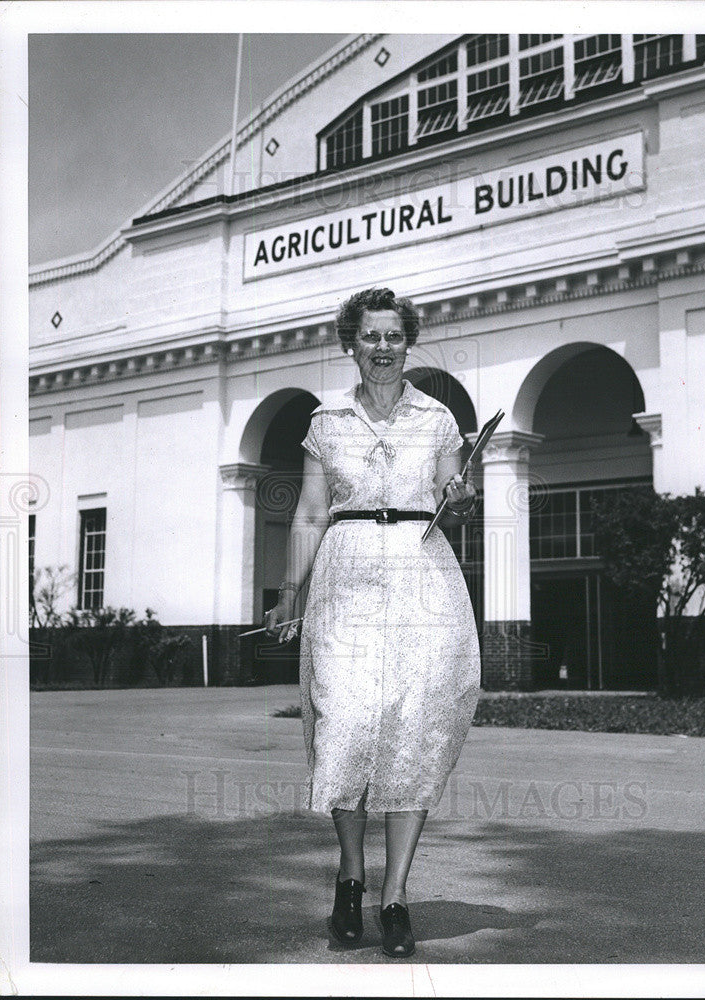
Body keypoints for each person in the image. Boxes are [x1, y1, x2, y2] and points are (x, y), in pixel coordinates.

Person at [264, 287, 481, 959]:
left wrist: (461, 498)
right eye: (369, 336)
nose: (382, 346)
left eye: (393, 335)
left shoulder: (438, 418)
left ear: (406, 342)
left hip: (422, 570)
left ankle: (396, 897)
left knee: (413, 729)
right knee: (347, 725)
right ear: (349, 344)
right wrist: (287, 592)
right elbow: (307, 513)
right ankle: (349, 877)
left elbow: (456, 505)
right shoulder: (325, 420)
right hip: (346, 572)